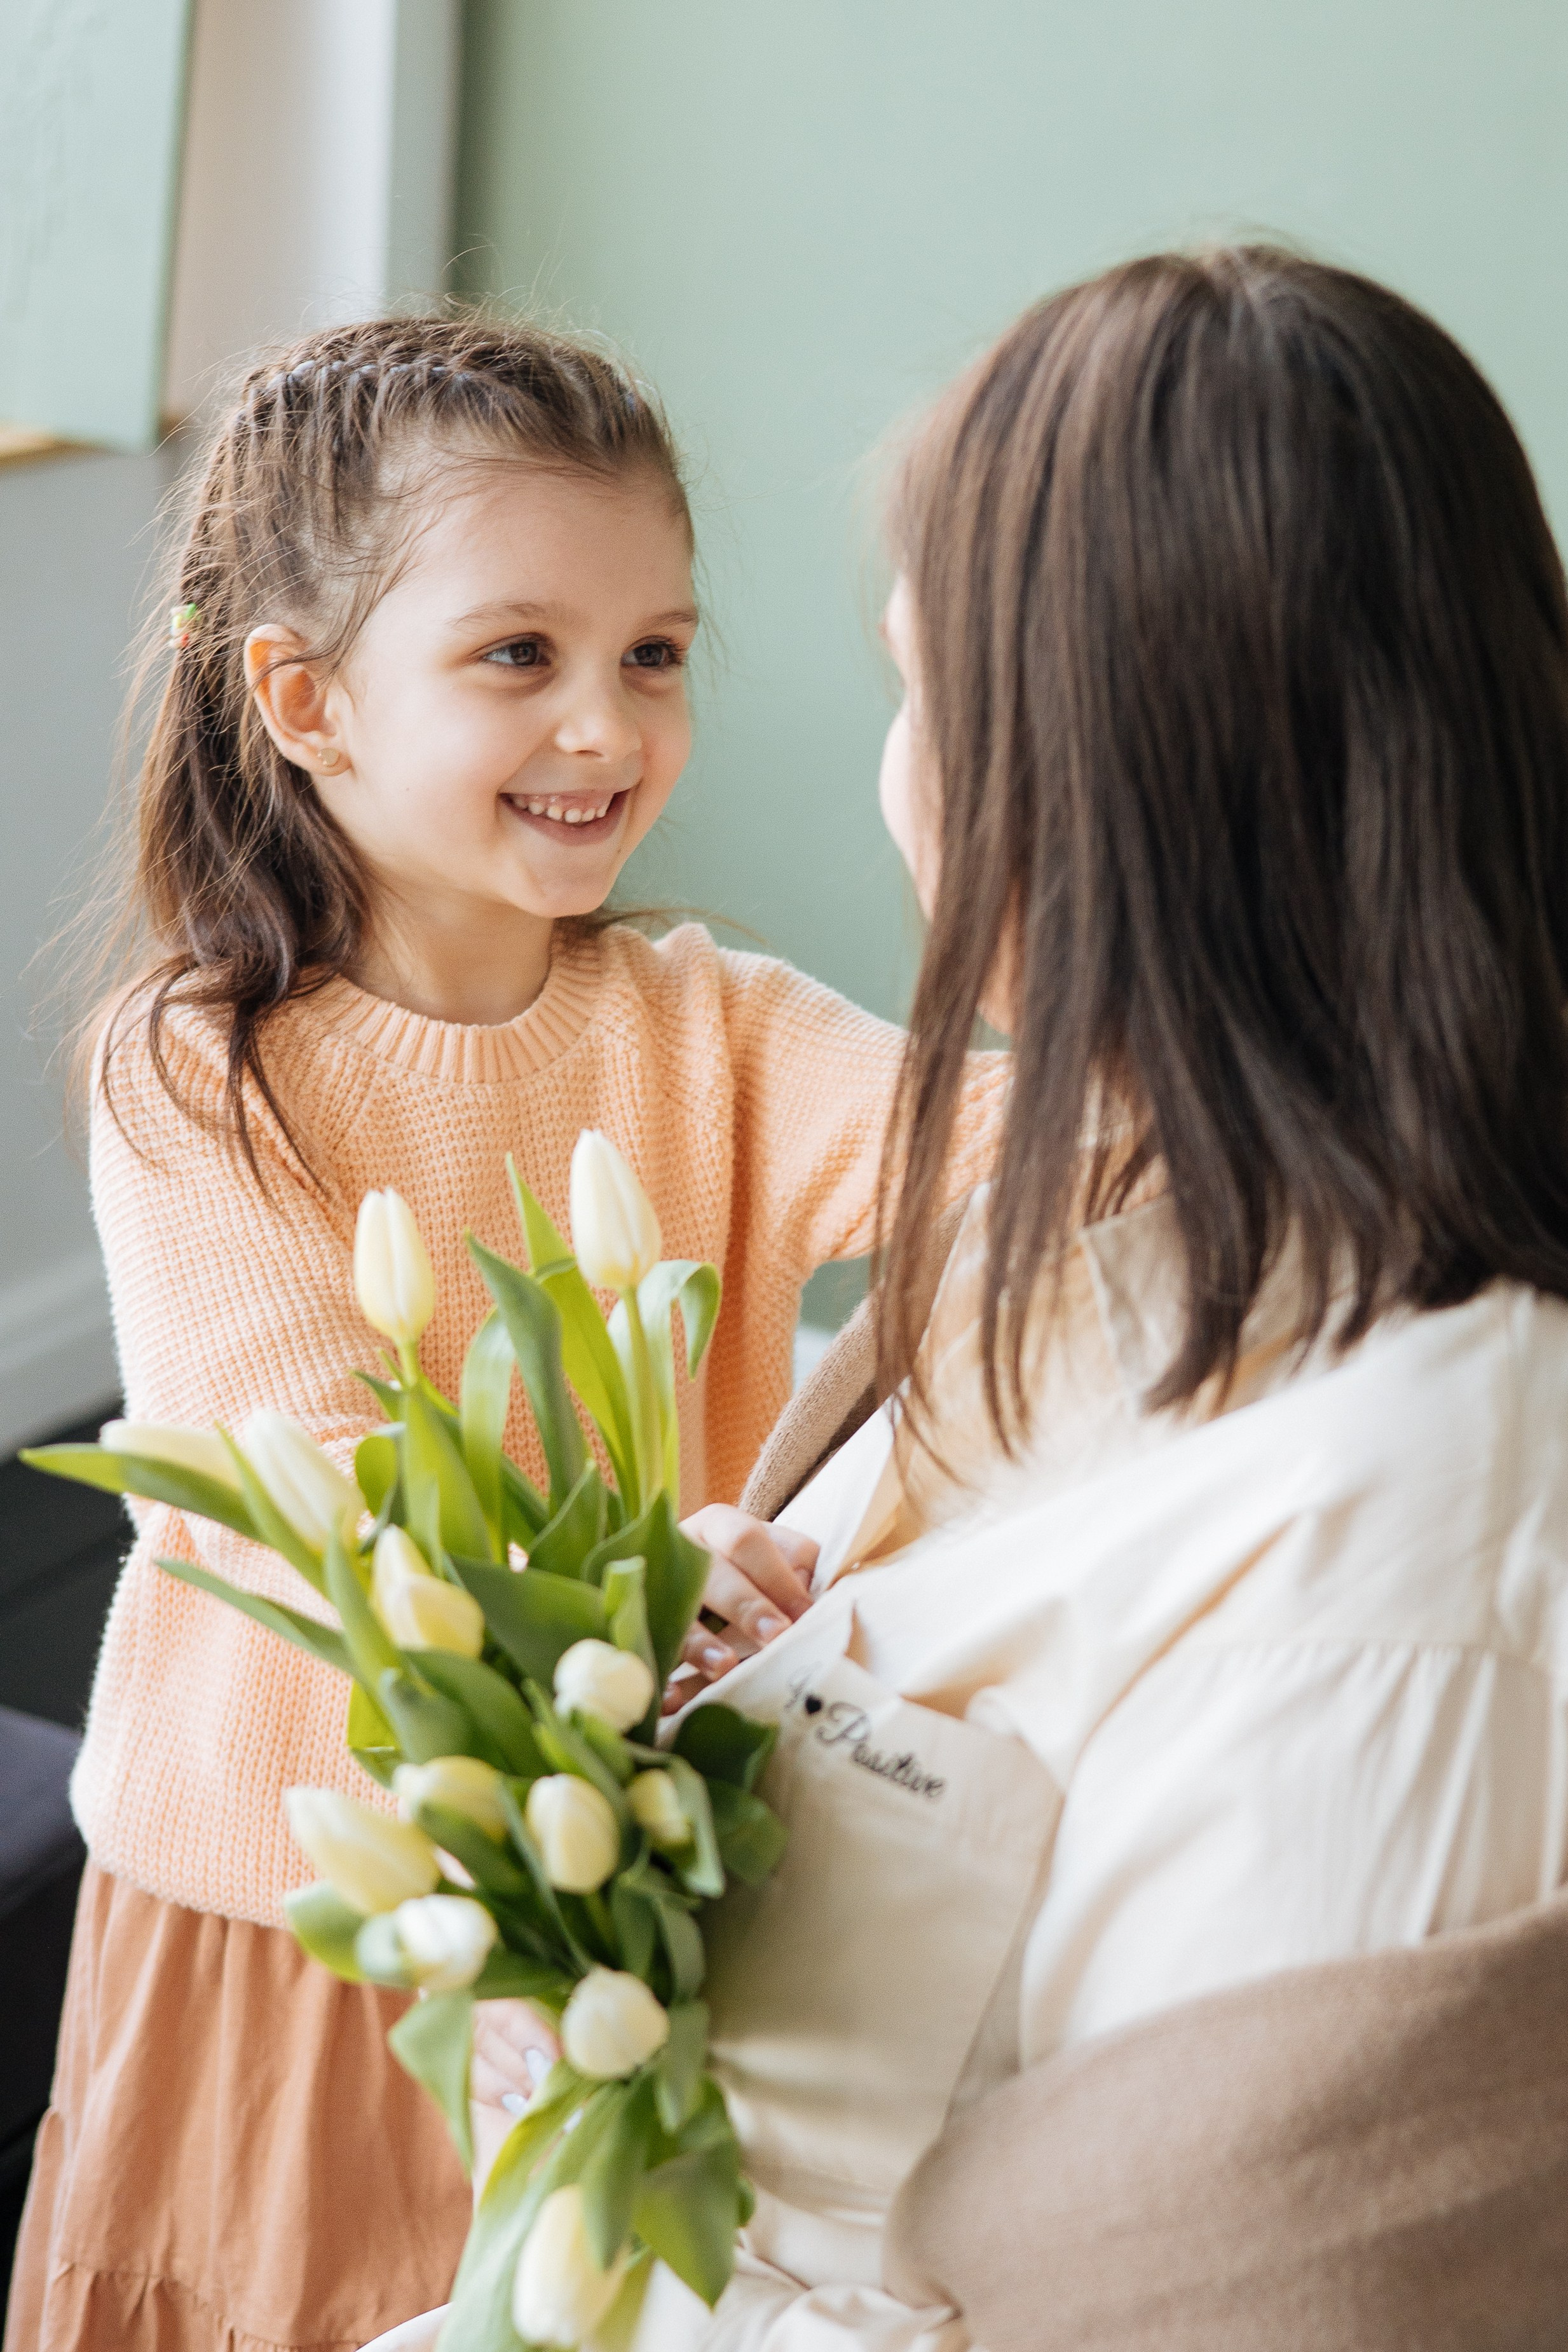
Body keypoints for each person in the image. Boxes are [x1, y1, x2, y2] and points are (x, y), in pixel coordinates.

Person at [458, 245, 1568, 2349]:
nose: (896, 782)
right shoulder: (1084, 1220)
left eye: (917, 689)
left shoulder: (1404, 1536)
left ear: (1096, 775)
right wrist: (716, 1681)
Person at [5, 316, 1003, 2352]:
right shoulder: (196, 1074)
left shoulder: (705, 1024)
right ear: (305, 697)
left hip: (612, 1900)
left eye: (652, 653)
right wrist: (633, 1582)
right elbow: (315, 1478)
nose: (605, 724)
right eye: (516, 656)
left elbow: (1008, 1153)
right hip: (293, 1931)